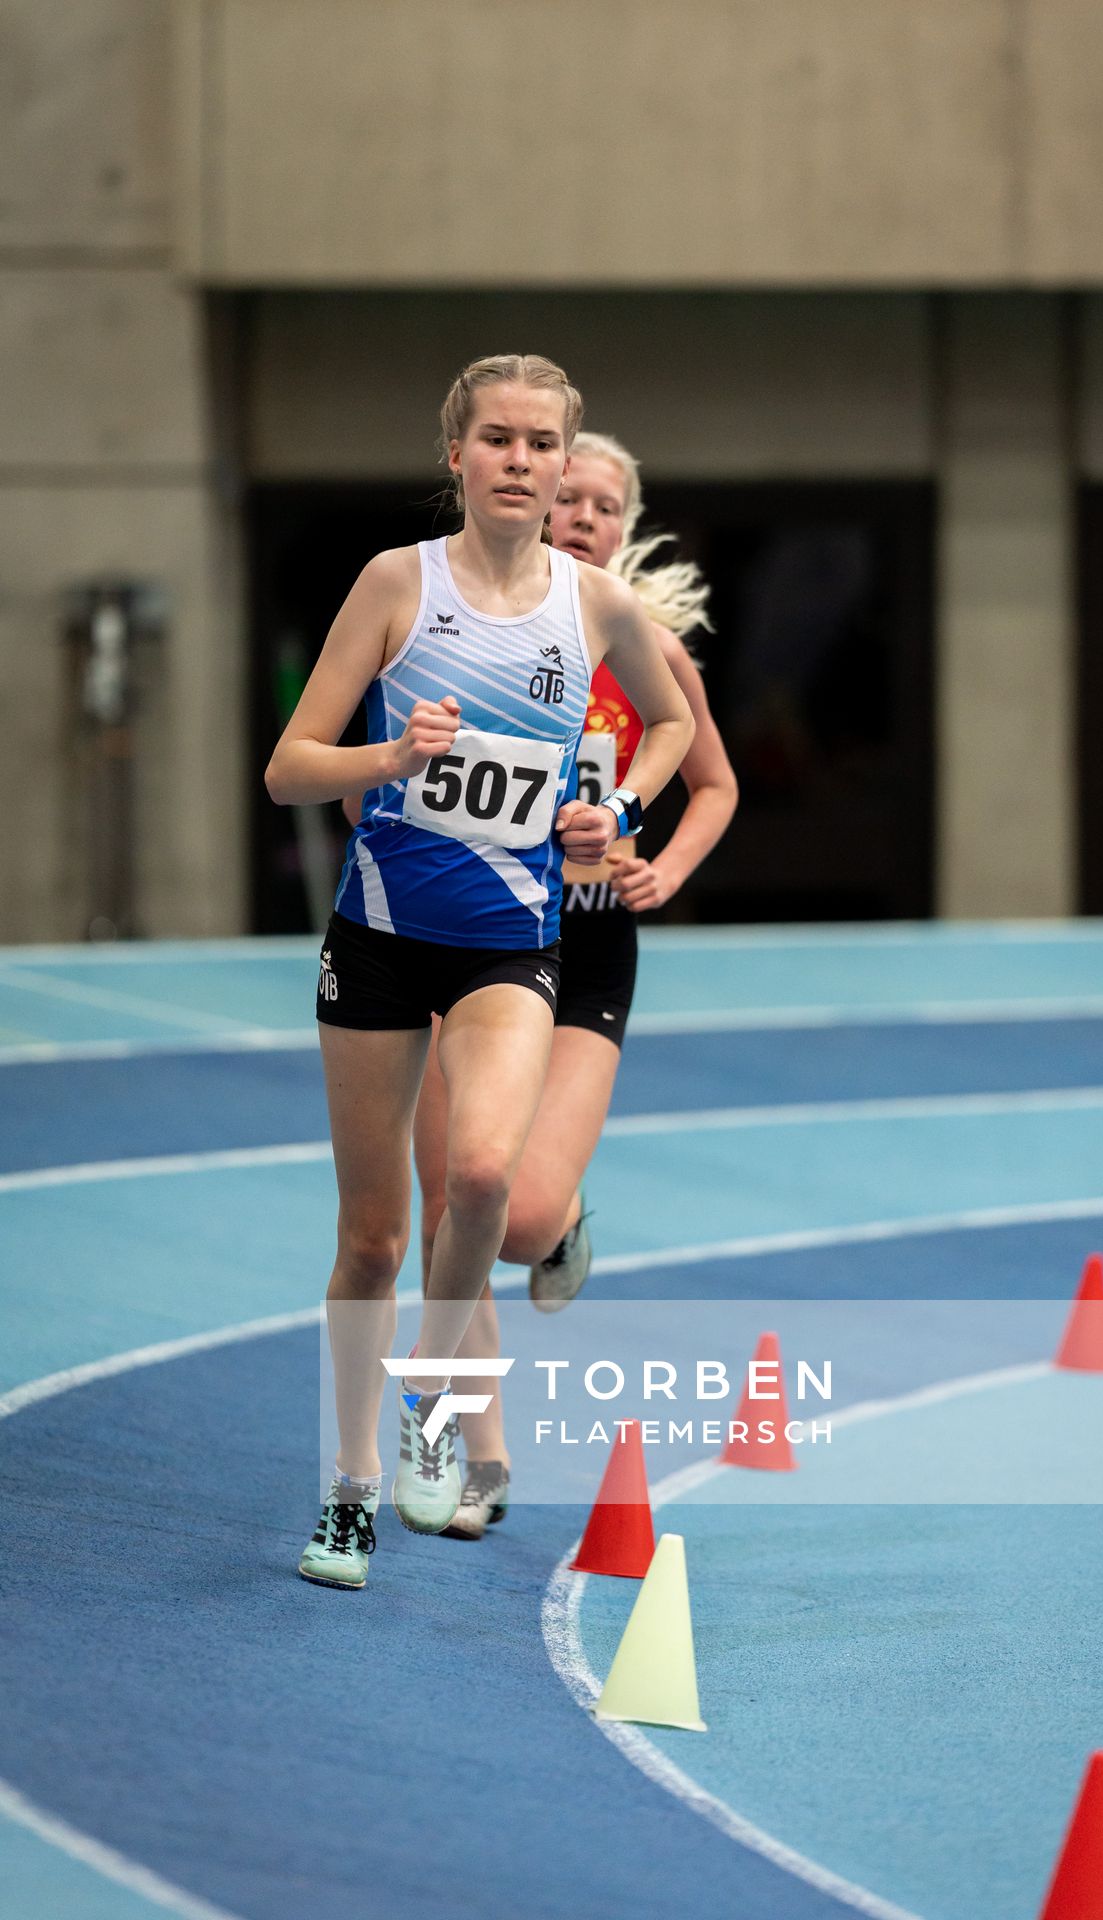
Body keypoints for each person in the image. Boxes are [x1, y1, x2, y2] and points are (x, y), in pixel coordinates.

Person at [265, 357, 694, 1588]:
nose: (518, 459)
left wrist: (610, 803)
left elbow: (667, 726)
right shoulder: (397, 583)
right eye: (496, 439)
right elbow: (290, 768)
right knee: (371, 1243)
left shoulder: (596, 602)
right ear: (454, 456)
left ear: (567, 462)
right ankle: (346, 1497)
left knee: (486, 1181)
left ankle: (433, 1412)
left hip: (513, 944)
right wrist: (389, 754)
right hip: (382, 943)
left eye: (540, 441)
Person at [409, 430, 738, 1539]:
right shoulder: (473, 628)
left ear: (624, 524)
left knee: (520, 1213)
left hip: (589, 942)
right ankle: (480, 1458)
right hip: (471, 939)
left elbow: (713, 782)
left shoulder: (636, 642)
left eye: (607, 504)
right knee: (457, 1192)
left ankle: (561, 1231)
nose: (585, 515)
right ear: (538, 499)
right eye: (572, 496)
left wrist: (661, 865)